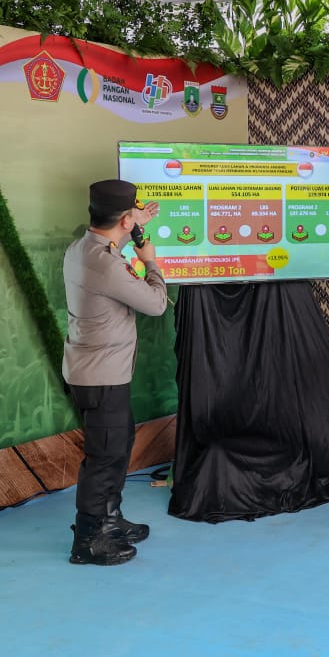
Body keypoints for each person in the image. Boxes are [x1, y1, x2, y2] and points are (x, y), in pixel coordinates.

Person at [64, 179, 167, 565]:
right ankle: (89, 540)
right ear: (124, 220)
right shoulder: (106, 263)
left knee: (118, 444)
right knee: (104, 456)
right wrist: (150, 260)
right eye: (133, 215)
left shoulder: (84, 247)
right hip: (101, 375)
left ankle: (109, 519)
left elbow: (111, 241)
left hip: (96, 369)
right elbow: (156, 304)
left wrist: (129, 224)